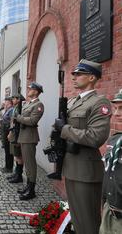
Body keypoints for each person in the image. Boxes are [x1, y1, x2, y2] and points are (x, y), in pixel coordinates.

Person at [53, 59, 111, 234]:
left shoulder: (99, 103)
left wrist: (64, 129)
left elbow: (95, 137)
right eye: (74, 74)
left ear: (92, 77)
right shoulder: (71, 102)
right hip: (70, 166)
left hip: (86, 171)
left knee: (88, 222)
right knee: (78, 219)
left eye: (79, 74)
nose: (74, 77)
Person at [16, 82, 44, 200]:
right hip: (24, 136)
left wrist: (18, 118)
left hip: (29, 137)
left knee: (30, 164)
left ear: (36, 91)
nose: (28, 90)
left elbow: (32, 121)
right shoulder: (28, 104)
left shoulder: (38, 105)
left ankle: (31, 190)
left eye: (31, 89)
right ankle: (28, 186)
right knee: (27, 164)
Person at [99, 89, 122, 234]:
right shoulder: (114, 140)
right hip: (109, 211)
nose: (117, 113)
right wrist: (104, 205)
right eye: (116, 108)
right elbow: (109, 173)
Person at [7, 94, 25, 184]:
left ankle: (19, 176)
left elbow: (16, 123)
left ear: (18, 100)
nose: (12, 100)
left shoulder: (20, 109)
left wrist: (11, 133)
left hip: (17, 134)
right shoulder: (16, 107)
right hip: (14, 133)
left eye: (14, 98)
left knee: (19, 155)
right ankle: (16, 173)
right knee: (16, 155)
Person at [0, 97, 14, 173]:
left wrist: (10, 132)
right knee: (6, 149)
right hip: (5, 130)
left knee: (8, 150)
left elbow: (12, 121)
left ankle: (9, 167)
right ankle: (7, 166)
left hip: (8, 130)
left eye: (5, 102)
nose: (4, 103)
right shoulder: (7, 110)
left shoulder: (11, 110)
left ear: (9, 102)